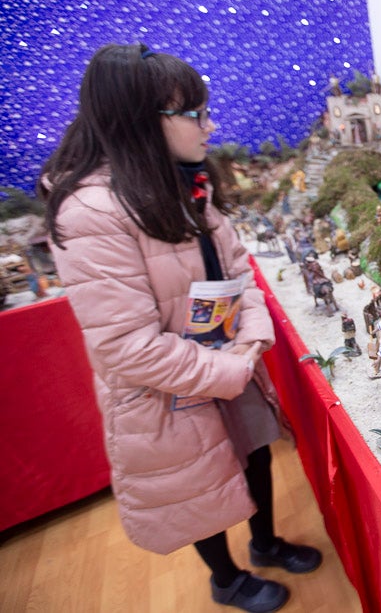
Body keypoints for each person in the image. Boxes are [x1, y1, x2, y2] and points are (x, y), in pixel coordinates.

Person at [39, 43, 319, 613]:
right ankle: (227, 579)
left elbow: (239, 269)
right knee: (195, 479)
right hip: (167, 387)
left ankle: (264, 542)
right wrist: (228, 366)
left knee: (252, 451)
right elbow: (127, 346)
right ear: (144, 119)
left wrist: (250, 342)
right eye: (194, 113)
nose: (209, 126)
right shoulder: (89, 212)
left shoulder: (188, 182)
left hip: (227, 358)